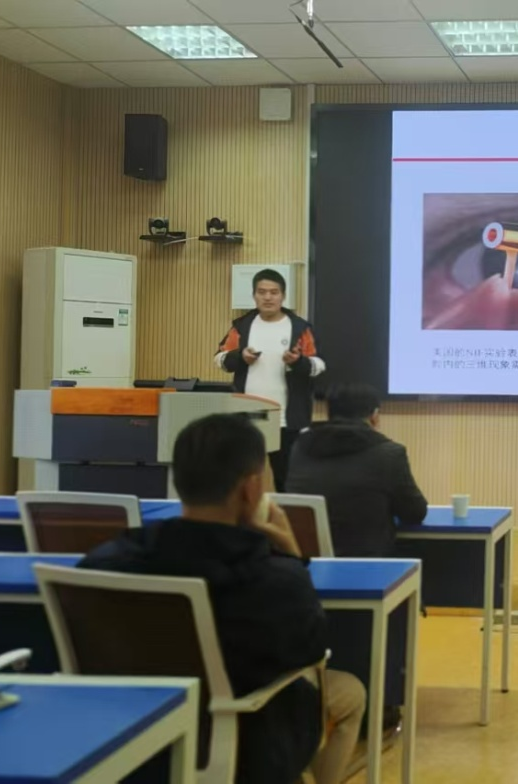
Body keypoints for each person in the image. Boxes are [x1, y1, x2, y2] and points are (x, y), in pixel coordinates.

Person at [80, 414, 364, 784]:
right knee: (351, 693)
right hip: (244, 748)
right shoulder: (273, 579)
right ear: (251, 489)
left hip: (130, 741)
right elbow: (310, 651)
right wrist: (292, 554)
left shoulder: (106, 562)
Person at [214, 269, 325, 491]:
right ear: (254, 295)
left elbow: (318, 364)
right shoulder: (242, 326)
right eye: (262, 292)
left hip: (287, 419)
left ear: (283, 296)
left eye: (274, 292)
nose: (268, 297)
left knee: (287, 480)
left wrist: (297, 361)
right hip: (245, 418)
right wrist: (241, 357)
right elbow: (220, 359)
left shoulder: (299, 328)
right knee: (240, 479)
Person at [287, 382, 428, 556]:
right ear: (374, 416)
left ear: (329, 413)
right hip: (369, 563)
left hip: (307, 563)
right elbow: (414, 513)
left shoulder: (300, 447)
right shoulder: (389, 453)